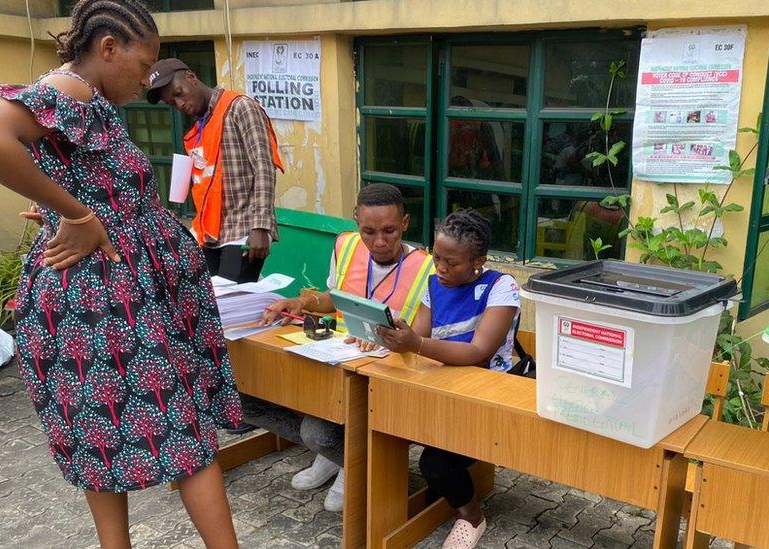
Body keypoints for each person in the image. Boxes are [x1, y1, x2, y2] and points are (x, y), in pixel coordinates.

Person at [0, 2, 241, 548]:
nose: (148, 77)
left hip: (114, 287)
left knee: (100, 432)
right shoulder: (72, 91)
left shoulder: (86, 98)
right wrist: (79, 214)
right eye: (143, 62)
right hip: (109, 297)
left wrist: (69, 205)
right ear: (108, 48)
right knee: (184, 433)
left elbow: (84, 176)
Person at [254, 183, 434, 511]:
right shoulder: (345, 246)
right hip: (338, 357)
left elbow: (422, 337)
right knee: (260, 395)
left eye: (389, 231)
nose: (379, 241)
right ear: (355, 221)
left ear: (405, 223)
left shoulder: (427, 267)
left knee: (316, 431)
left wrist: (395, 340)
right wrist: (301, 302)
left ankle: (348, 460)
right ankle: (336, 455)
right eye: (368, 231)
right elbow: (331, 299)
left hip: (386, 372)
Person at [377, 209, 520, 549]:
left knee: (435, 462)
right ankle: (385, 502)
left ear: (478, 261)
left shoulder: (501, 287)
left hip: (485, 395)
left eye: (451, 262)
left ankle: (471, 517)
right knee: (379, 421)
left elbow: (478, 352)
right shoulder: (434, 284)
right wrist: (390, 336)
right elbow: (419, 337)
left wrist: (417, 343)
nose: (440, 267)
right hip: (441, 389)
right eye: (436, 257)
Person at [145, 57, 284, 285]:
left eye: (179, 93)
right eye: (172, 103)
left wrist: (260, 226)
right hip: (209, 234)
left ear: (191, 77)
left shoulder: (239, 107)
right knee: (213, 305)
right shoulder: (200, 126)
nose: (179, 105)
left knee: (231, 301)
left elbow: (264, 166)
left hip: (242, 229)